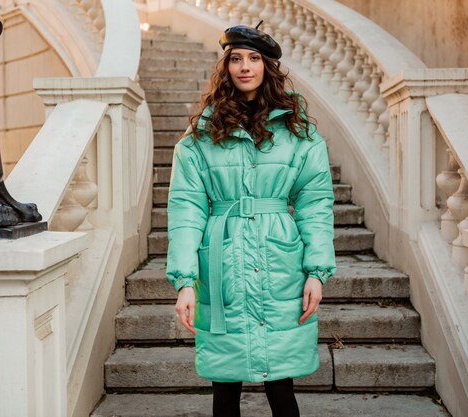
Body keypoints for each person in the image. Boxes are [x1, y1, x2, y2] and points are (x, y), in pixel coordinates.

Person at [165, 22, 336, 417]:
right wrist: (185, 281)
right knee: (225, 385)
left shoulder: (298, 132)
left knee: (281, 384)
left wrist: (316, 271)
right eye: (236, 59)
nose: (245, 67)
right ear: (225, 68)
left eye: (254, 58)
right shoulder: (201, 136)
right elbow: (186, 210)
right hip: (223, 262)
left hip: (280, 261)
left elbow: (315, 203)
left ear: (267, 66)